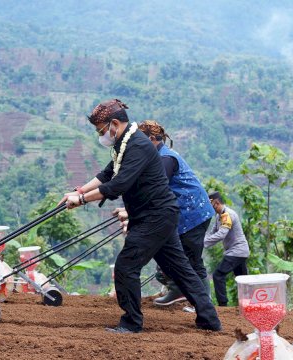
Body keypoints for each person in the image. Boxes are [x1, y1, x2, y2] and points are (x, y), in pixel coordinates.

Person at [59, 99, 221, 333]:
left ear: (114, 123)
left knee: (126, 266)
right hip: (159, 215)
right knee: (180, 269)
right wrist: (78, 191)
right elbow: (107, 174)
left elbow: (119, 184)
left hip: (155, 217)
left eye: (101, 130)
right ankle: (210, 320)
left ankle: (131, 323)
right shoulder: (124, 144)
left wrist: (82, 200)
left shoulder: (138, 145)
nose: (101, 135)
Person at [136, 120, 215, 306]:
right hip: (180, 215)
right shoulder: (158, 157)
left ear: (151, 139)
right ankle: (177, 289)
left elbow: (157, 188)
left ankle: (205, 303)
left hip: (194, 214)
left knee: (193, 260)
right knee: (171, 253)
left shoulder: (165, 159)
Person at [204, 191, 250, 307]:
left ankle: (222, 305)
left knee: (218, 275)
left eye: (211, 205)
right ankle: (248, 304)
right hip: (239, 251)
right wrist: (202, 241)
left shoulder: (227, 215)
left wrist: (202, 243)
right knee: (243, 280)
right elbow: (213, 232)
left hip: (236, 251)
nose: (210, 208)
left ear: (217, 203)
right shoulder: (219, 216)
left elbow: (221, 234)